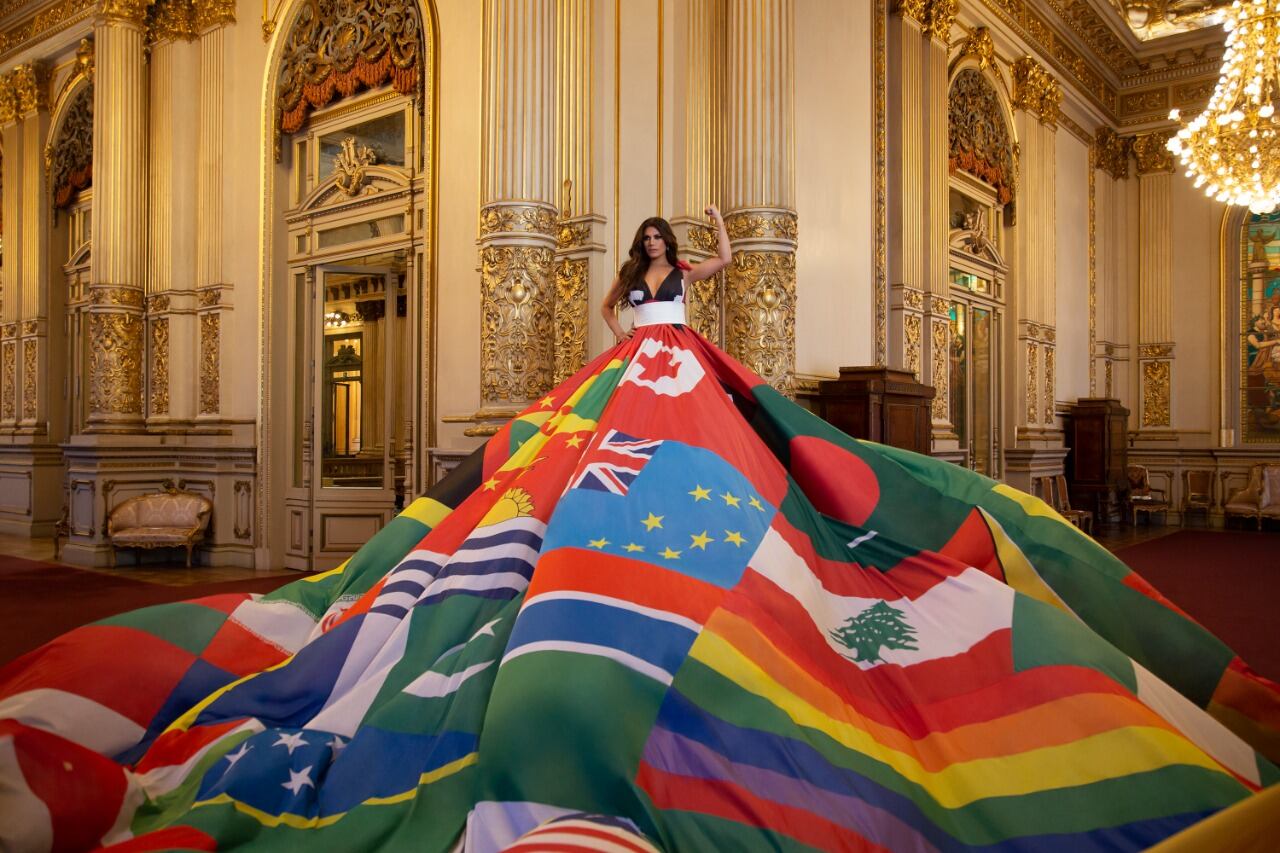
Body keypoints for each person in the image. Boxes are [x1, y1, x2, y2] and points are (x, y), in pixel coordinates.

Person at [2, 213, 1278, 853]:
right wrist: (624, 364)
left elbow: (705, 284)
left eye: (668, 245)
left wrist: (709, 275)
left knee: (766, 512)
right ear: (638, 257)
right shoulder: (626, 300)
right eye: (658, 246)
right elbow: (623, 335)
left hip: (690, 394)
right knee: (537, 518)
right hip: (630, 400)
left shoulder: (685, 282)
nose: (663, 253)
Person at [600, 207, 731, 344]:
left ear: (667, 241)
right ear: (642, 243)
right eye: (647, 238)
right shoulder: (629, 273)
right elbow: (606, 307)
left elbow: (724, 259)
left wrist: (720, 222)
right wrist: (620, 334)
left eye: (657, 237)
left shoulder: (684, 273)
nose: (651, 243)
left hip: (677, 344)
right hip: (639, 345)